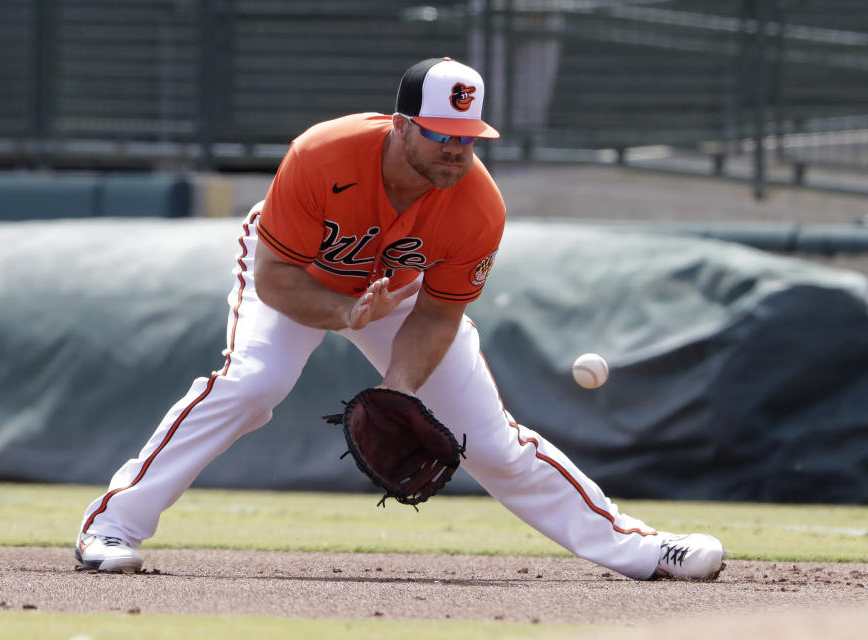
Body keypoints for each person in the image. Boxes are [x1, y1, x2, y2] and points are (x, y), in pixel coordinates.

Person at [75, 57, 726, 580]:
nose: (456, 151)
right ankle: (111, 526)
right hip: (298, 274)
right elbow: (274, 278)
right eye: (442, 134)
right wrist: (341, 311)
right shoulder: (321, 156)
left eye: (468, 138)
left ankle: (643, 550)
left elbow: (441, 311)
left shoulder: (478, 208)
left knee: (493, 443)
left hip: (403, 297)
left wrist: (400, 387)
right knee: (253, 384)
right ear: (402, 125)